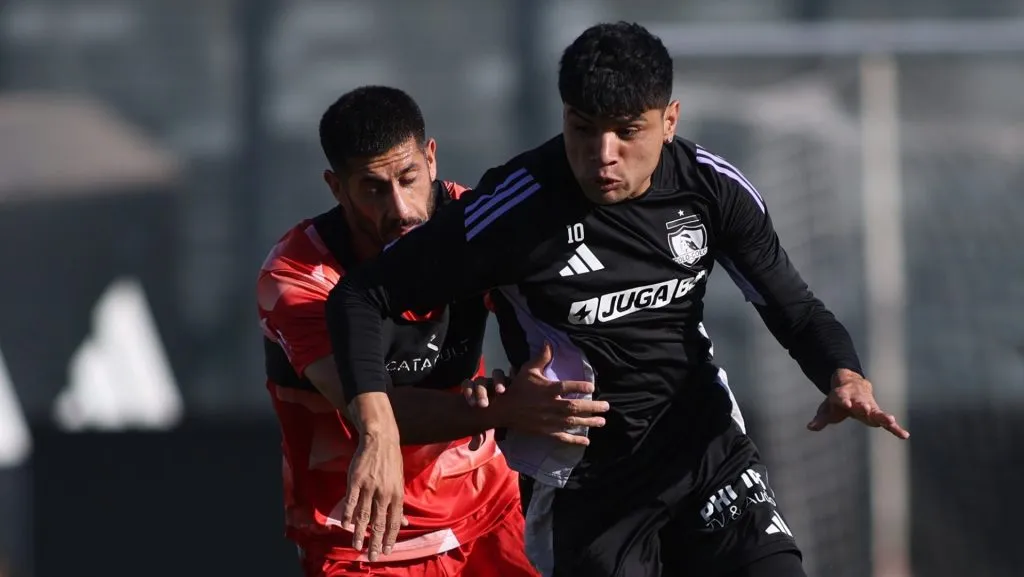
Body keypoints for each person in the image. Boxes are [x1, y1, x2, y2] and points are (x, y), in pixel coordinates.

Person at [325, 22, 911, 577]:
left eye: (627, 131)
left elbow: (794, 307)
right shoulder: (514, 208)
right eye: (583, 128)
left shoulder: (711, 188)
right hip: (586, 483)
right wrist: (377, 431)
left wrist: (843, 373)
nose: (603, 153)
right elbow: (359, 295)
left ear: (669, 121)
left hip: (703, 451)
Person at [257, 85, 608, 577]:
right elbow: (374, 408)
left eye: (408, 178)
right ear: (336, 188)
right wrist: (508, 409)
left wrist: (518, 384)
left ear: (431, 159)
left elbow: (558, 320)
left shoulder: (476, 222)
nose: (400, 209)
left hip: (490, 517)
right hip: (363, 543)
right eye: (373, 189)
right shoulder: (296, 276)